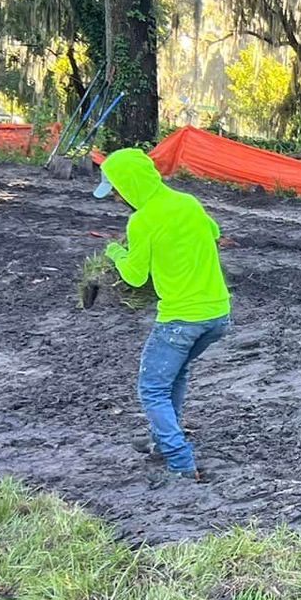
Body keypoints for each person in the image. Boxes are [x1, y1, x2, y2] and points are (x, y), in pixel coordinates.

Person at [95, 146, 232, 481]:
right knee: (176, 375)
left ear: (129, 186)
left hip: (180, 320)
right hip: (217, 315)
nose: (116, 199)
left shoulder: (141, 221)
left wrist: (115, 251)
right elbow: (214, 233)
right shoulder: (188, 202)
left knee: (152, 388)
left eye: (116, 191)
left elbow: (135, 276)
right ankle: (160, 441)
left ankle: (180, 460)